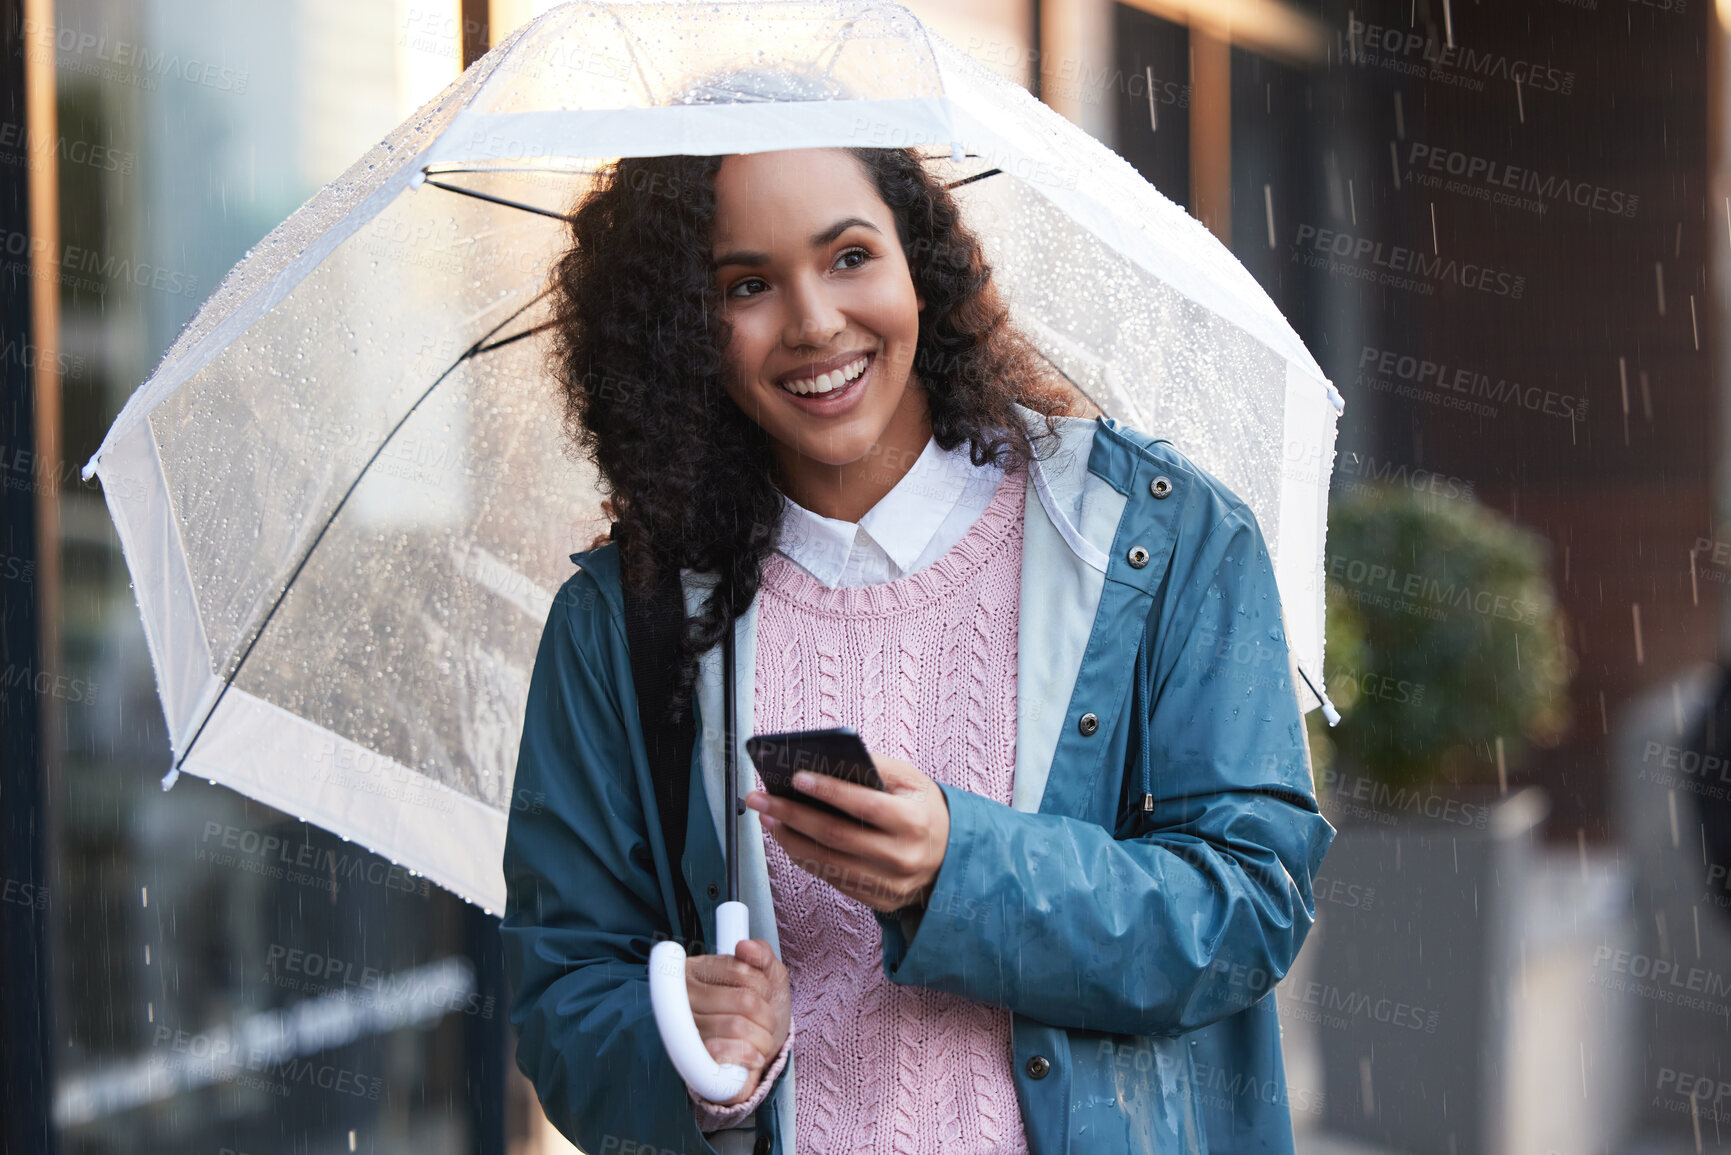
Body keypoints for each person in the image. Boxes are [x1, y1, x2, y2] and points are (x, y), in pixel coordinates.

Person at [501, 142, 1336, 1155]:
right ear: (683, 329)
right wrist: (691, 1052)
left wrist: (958, 870)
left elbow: (1252, 902)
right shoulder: (620, 622)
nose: (814, 323)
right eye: (747, 284)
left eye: (850, 255)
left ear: (920, 265)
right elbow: (564, 992)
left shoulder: (1151, 539)